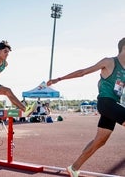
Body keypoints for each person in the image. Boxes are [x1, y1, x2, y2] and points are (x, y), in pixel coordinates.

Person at [47, 37, 125, 177]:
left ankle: (74, 168)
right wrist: (58, 79)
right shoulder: (109, 62)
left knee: (100, 141)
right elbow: (82, 72)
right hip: (106, 103)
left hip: (113, 106)